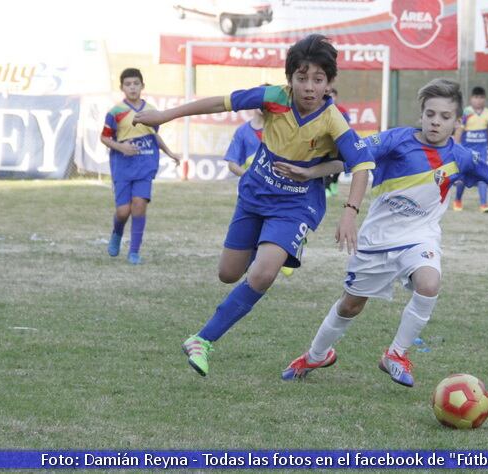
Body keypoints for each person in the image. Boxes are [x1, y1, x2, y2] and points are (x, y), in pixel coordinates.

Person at [278, 79, 488, 387]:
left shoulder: (461, 157)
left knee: (429, 283)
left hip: (420, 238)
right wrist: (310, 171)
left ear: (457, 121)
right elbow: (350, 157)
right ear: (421, 114)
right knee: (351, 305)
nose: (436, 121)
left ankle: (395, 354)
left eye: (445, 116)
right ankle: (317, 354)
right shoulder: (397, 140)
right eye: (430, 114)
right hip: (377, 240)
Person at [133, 34, 375, 377]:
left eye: (318, 80)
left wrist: (348, 211)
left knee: (263, 273)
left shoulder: (333, 120)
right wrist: (166, 115)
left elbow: (360, 165)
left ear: (329, 83)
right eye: (301, 78)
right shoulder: (275, 97)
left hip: (296, 205)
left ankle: (202, 340)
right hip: (255, 193)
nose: (309, 87)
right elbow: (221, 102)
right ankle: (269, 248)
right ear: (289, 78)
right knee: (228, 274)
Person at [101, 68, 180, 265]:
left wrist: (169, 152)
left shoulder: (151, 111)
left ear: (142, 86)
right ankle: (117, 233)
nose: (132, 87)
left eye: (136, 83)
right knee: (123, 211)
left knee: (139, 205)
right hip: (123, 166)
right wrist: (121, 146)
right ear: (122, 88)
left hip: (145, 164)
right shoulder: (115, 112)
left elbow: (153, 135)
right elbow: (104, 137)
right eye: (128, 84)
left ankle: (134, 252)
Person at [223, 89, 298, 278]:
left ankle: (287, 249)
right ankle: (259, 264)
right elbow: (232, 163)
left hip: (279, 192)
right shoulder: (243, 132)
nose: (262, 105)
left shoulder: (283, 130)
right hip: (252, 191)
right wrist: (248, 174)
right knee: (252, 233)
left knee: (274, 227)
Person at [452, 86, 488, 213]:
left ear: (485, 99)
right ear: (471, 99)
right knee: (462, 177)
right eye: (476, 97)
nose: (479, 100)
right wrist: (456, 147)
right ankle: (458, 200)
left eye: (481, 97)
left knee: (483, 176)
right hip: (467, 151)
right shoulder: (466, 112)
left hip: (481, 153)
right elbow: (459, 131)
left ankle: (484, 204)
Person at [323, 87, 351, 198]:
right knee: (324, 164)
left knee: (341, 164)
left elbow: (347, 126)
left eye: (333, 96)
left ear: (336, 97)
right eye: (329, 96)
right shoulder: (322, 110)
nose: (331, 98)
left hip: (339, 143)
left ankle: (334, 182)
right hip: (325, 144)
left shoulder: (342, 110)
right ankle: (326, 187)